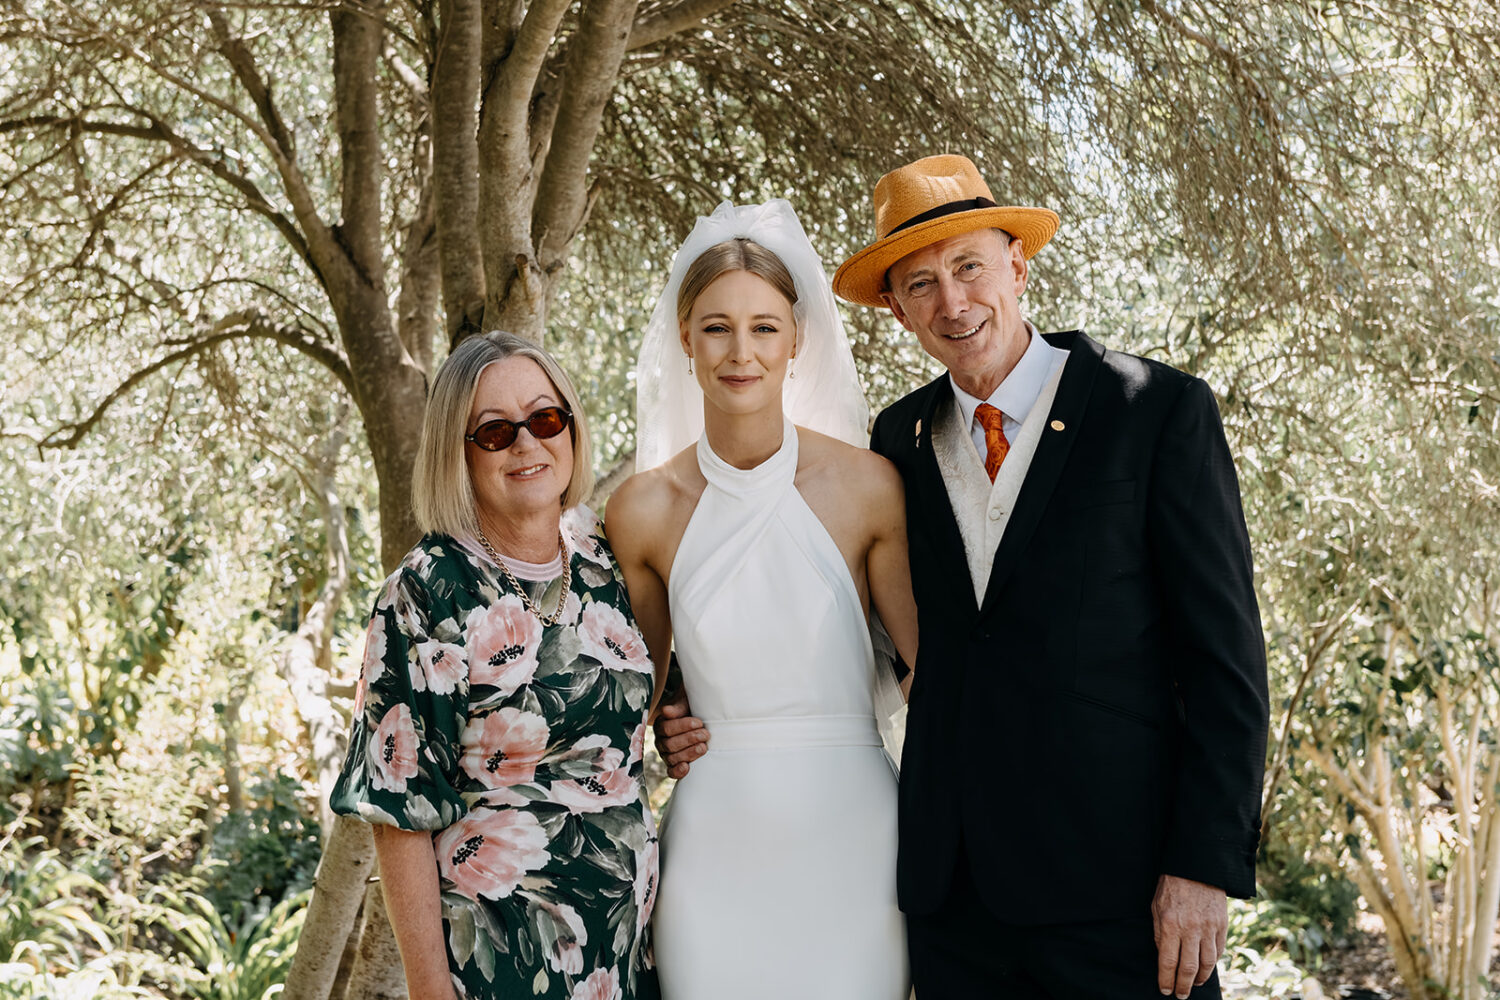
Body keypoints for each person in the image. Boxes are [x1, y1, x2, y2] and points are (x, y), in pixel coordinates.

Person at [658, 155, 1270, 999]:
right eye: (921, 283)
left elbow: (1224, 662)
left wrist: (1202, 866)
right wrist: (686, 703)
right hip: (956, 912)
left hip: (1122, 894)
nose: (952, 302)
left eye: (969, 267)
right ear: (896, 307)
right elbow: (857, 632)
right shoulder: (896, 442)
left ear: (1018, 266)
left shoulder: (1154, 411)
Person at [606, 199, 919, 1000]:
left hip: (855, 838)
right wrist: (670, 722)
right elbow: (636, 697)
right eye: (716, 327)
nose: (740, 352)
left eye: (764, 327)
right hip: (715, 842)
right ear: (685, 337)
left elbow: (930, 679)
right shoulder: (641, 510)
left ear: (796, 340)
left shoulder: (869, 486)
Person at [330, 332, 661, 1000]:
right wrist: (430, 991)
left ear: (571, 427)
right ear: (458, 453)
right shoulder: (427, 591)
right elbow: (400, 811)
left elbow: (630, 708)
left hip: (621, 958)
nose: (527, 444)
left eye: (545, 419)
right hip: (499, 968)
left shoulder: (602, 559)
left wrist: (675, 721)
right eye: (495, 431)